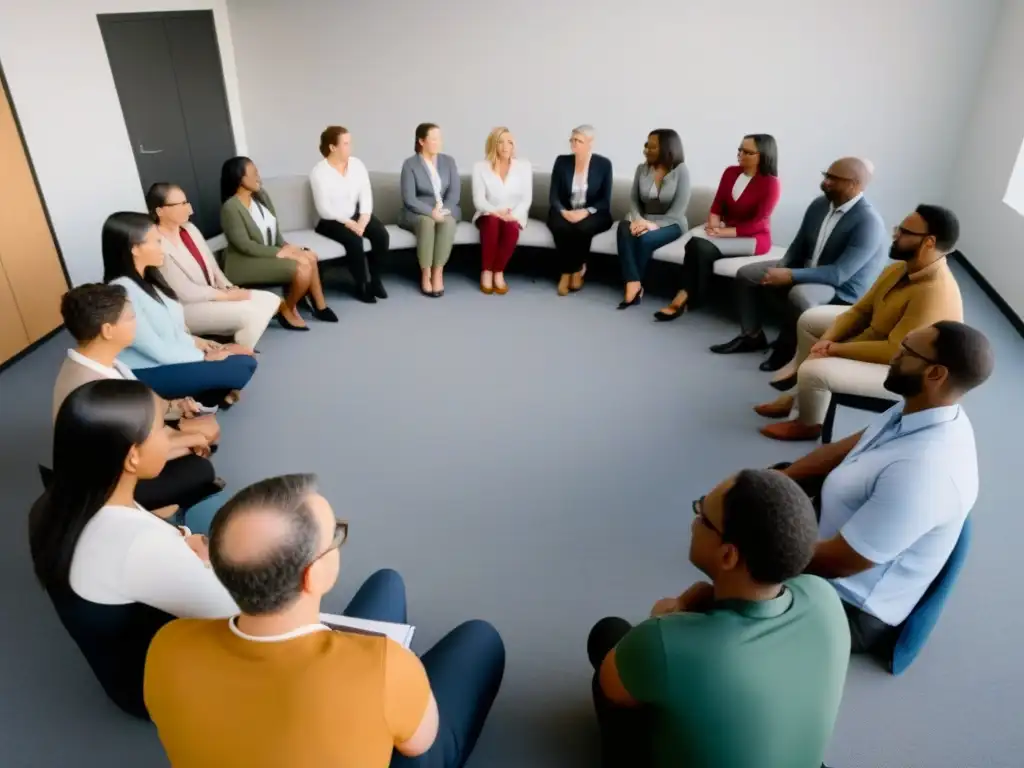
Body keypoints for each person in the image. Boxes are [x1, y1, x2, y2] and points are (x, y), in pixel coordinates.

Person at [144, 474, 505, 768]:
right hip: (389, 699)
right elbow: (418, 745)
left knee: (387, 584)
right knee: (481, 639)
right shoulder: (386, 663)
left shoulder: (167, 643)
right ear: (313, 575)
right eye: (335, 535)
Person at [588, 469, 849, 768]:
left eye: (702, 515)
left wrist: (659, 625)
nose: (694, 522)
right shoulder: (824, 596)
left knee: (608, 636)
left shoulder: (666, 642)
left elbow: (612, 685)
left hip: (665, 653)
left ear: (728, 555)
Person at [778, 321, 993, 656]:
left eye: (906, 351)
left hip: (847, 605)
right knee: (765, 487)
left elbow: (842, 562)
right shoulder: (918, 406)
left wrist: (757, 545)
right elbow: (844, 450)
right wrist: (779, 481)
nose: (895, 355)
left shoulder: (926, 470)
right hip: (830, 540)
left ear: (935, 374)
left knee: (725, 591)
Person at [29, 379, 238, 719]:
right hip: (156, 688)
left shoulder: (53, 504)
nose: (169, 436)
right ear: (132, 456)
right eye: (162, 430)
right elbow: (237, 616)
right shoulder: (139, 544)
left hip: (120, 669)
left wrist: (182, 542)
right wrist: (204, 560)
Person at [756, 204, 964, 441]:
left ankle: (808, 423)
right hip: (880, 339)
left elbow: (895, 350)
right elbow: (860, 311)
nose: (895, 234)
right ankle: (798, 395)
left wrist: (835, 349)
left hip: (905, 368)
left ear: (929, 242)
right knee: (810, 320)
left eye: (904, 232)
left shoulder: (935, 291)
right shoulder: (899, 268)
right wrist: (825, 341)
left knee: (815, 369)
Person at [53, 283, 222, 513]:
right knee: (200, 467)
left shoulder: (95, 360)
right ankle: (161, 508)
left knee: (203, 434)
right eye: (131, 317)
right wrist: (190, 441)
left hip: (128, 445)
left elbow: (144, 404)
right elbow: (133, 459)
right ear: (107, 330)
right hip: (110, 483)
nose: (138, 323)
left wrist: (176, 409)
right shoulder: (96, 388)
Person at [709, 157, 886, 365]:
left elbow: (839, 274)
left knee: (799, 294)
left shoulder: (869, 222)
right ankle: (751, 336)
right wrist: (784, 265)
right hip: (810, 269)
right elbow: (799, 244)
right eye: (826, 175)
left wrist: (790, 275)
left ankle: (788, 349)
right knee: (747, 274)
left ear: (854, 184)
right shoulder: (819, 205)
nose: (826, 182)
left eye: (834, 178)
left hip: (841, 288)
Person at [102, 211, 258, 408]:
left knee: (244, 354)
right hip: (146, 370)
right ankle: (192, 401)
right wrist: (205, 358)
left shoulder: (151, 280)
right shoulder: (123, 290)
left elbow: (175, 332)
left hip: (171, 358)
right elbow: (156, 350)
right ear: (135, 248)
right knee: (243, 365)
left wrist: (210, 347)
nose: (163, 249)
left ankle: (197, 400)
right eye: (157, 242)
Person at [654, 134, 780, 320]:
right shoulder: (731, 173)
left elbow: (758, 223)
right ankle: (688, 296)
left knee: (699, 246)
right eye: (739, 150)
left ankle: (684, 297)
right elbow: (718, 204)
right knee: (694, 244)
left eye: (747, 152)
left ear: (763, 155)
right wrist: (714, 223)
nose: (740, 155)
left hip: (753, 238)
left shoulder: (771, 184)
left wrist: (723, 232)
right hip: (724, 229)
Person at [148, 182, 280, 347]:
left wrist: (228, 287)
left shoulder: (189, 229)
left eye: (186, 202)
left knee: (271, 299)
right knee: (250, 313)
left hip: (214, 294)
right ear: (160, 211)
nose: (188, 207)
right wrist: (226, 297)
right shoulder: (155, 243)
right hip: (186, 307)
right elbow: (184, 292)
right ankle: (237, 353)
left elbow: (212, 266)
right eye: (180, 204)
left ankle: (234, 344)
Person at [220, 156, 337, 330]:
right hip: (243, 262)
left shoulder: (261, 196)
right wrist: (279, 253)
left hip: (266, 253)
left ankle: (320, 307)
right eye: (254, 173)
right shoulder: (231, 207)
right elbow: (245, 245)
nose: (259, 177)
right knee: (302, 268)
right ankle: (287, 308)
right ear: (239, 178)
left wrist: (286, 246)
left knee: (310, 256)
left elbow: (274, 229)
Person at [311, 126, 391, 304]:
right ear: (333, 147)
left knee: (381, 234)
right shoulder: (319, 172)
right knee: (355, 240)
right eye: (346, 143)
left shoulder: (357, 164)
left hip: (356, 215)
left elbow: (365, 194)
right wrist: (349, 223)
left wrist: (363, 218)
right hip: (331, 220)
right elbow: (324, 209)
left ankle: (376, 279)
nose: (350, 147)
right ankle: (362, 285)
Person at [617, 129, 690, 309]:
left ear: (667, 148)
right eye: (646, 145)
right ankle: (633, 282)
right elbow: (634, 200)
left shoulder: (681, 171)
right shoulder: (642, 169)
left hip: (671, 223)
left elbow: (678, 211)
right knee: (623, 228)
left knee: (644, 239)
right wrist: (639, 220)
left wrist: (651, 225)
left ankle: (635, 283)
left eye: (652, 146)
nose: (647, 149)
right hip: (642, 219)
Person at [548, 125, 613, 296]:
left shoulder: (604, 164)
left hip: (593, 212)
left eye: (579, 140)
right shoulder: (561, 161)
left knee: (582, 227)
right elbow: (553, 196)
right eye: (572, 139)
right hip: (565, 210)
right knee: (561, 226)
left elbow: (605, 201)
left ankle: (575, 271)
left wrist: (585, 212)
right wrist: (564, 212)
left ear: (590, 143)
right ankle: (566, 273)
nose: (574, 143)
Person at [399, 123, 461, 297]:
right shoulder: (410, 164)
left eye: (439, 139)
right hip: (416, 212)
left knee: (447, 223)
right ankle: (425, 273)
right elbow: (410, 199)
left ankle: (437, 272)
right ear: (421, 141)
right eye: (434, 139)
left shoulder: (449, 161)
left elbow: (455, 193)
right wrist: (431, 212)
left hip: (445, 210)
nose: (439, 142)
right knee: (427, 222)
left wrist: (444, 210)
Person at [471, 126, 532, 295]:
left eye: (510, 142)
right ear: (493, 144)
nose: (506, 147)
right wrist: (497, 212)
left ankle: (498, 271)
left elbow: (526, 199)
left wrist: (512, 215)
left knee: (511, 228)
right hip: (488, 213)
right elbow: (479, 200)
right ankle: (486, 271)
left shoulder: (524, 167)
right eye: (501, 142)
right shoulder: (480, 167)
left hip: (514, 213)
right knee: (491, 222)